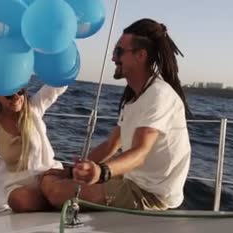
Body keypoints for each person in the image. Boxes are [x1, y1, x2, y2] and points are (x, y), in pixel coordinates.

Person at [40, 18, 192, 211]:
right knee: (52, 179)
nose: (113, 58)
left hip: (151, 194)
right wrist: (72, 171)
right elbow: (110, 145)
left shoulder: (159, 95)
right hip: (133, 180)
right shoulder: (134, 98)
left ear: (140, 56)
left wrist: (101, 172)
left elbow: (140, 154)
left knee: (55, 192)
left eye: (119, 51)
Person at [0, 84, 66, 213]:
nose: (16, 97)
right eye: (9, 95)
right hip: (18, 181)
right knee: (18, 200)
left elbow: (54, 88)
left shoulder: (33, 109)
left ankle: (57, 197)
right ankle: (55, 203)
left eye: (20, 92)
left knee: (51, 187)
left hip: (45, 173)